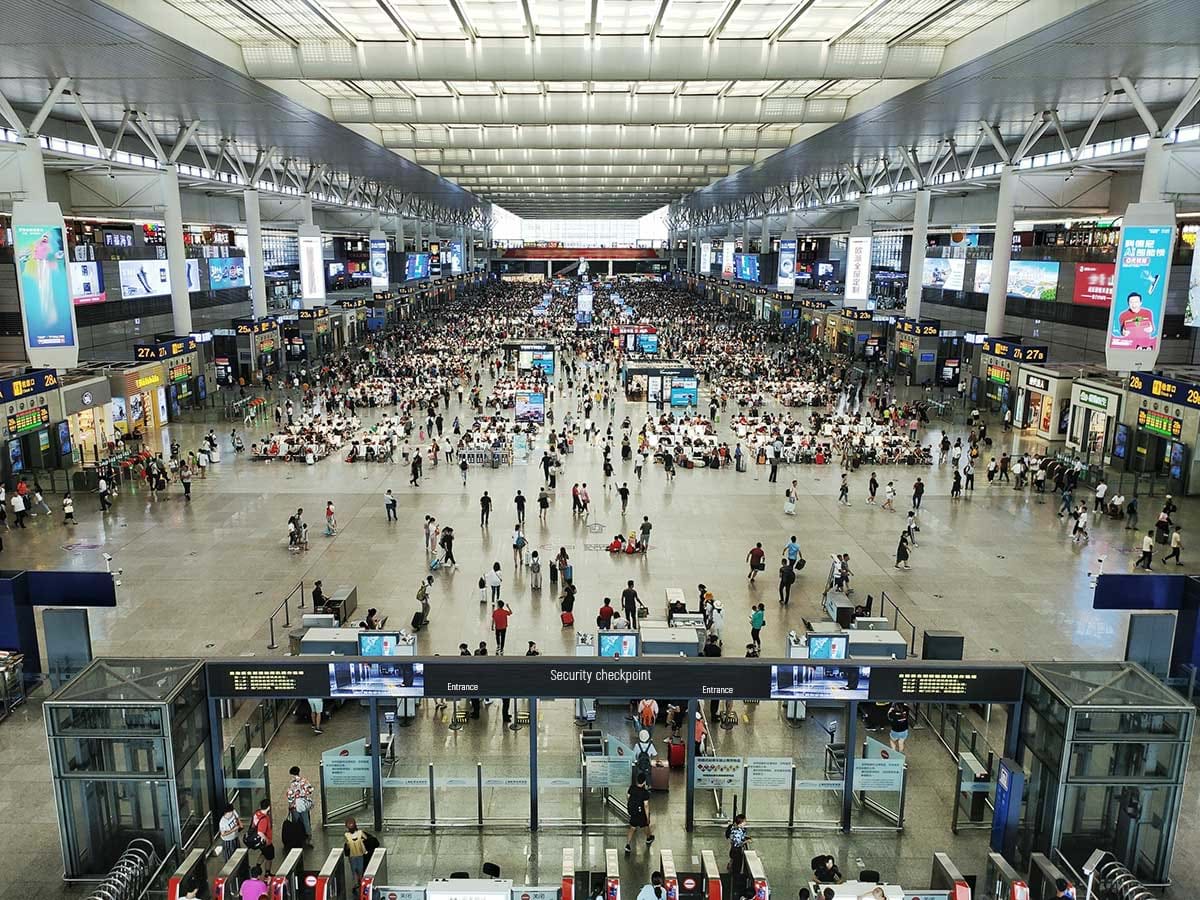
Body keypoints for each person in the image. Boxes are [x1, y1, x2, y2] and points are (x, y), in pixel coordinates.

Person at [624, 771, 655, 857]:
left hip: (633, 812)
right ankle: (649, 838)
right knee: (646, 825)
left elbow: (628, 796)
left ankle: (628, 845)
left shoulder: (632, 788)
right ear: (644, 782)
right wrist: (647, 816)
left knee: (632, 828)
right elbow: (646, 805)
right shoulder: (645, 793)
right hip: (641, 813)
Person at [286, 766, 315, 845]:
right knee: (306, 820)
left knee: (297, 821)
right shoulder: (304, 781)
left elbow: (290, 795)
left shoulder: (292, 784)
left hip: (295, 805)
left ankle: (299, 835)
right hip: (304, 804)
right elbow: (310, 790)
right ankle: (309, 837)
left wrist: (290, 804)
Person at [343, 818, 369, 888]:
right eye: (349, 825)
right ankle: (356, 882)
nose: (350, 826)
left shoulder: (360, 833)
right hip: (352, 855)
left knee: (360, 869)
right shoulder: (347, 835)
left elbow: (366, 838)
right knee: (354, 869)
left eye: (351, 824)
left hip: (359, 854)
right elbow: (347, 846)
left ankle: (360, 881)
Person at [250, 799, 274, 875]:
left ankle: (258, 866)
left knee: (264, 853)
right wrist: (267, 840)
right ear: (268, 807)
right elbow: (260, 832)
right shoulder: (264, 819)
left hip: (258, 840)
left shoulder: (257, 813)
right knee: (269, 857)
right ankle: (267, 873)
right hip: (264, 841)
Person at [725, 813, 751, 880]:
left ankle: (732, 872)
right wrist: (746, 841)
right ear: (740, 823)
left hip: (734, 850)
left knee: (735, 863)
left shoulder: (735, 828)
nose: (745, 823)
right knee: (737, 866)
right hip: (736, 851)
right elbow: (738, 843)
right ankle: (735, 879)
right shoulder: (737, 831)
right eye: (744, 821)